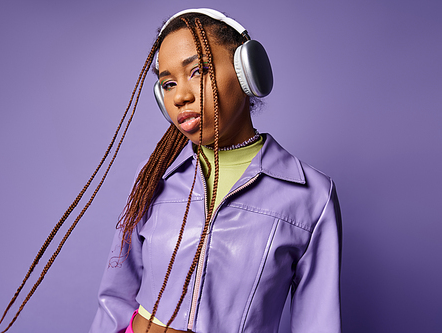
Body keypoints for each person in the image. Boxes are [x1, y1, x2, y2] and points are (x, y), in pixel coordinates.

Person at [89, 8, 342, 333]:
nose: (180, 96)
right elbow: (115, 298)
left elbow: (318, 325)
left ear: (247, 72)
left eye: (198, 71)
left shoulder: (312, 196)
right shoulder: (154, 175)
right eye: (167, 84)